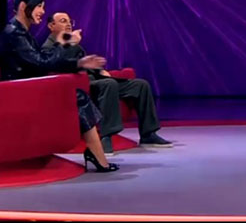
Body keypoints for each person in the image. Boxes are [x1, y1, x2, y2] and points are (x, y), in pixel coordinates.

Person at [0, 0, 118, 173]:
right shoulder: (14, 34)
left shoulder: (21, 32)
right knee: (78, 97)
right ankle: (97, 155)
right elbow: (43, 63)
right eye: (39, 6)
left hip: (26, 89)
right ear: (23, 6)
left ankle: (97, 153)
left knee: (77, 95)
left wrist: (80, 63)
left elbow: (41, 61)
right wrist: (62, 43)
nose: (43, 12)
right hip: (18, 94)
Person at [43, 12, 171, 154]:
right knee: (109, 84)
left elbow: (85, 63)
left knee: (140, 85)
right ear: (51, 26)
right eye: (63, 21)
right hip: (77, 87)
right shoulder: (48, 47)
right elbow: (58, 64)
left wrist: (99, 70)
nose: (68, 24)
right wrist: (71, 43)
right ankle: (106, 137)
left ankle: (148, 134)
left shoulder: (74, 44)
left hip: (93, 80)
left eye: (69, 21)